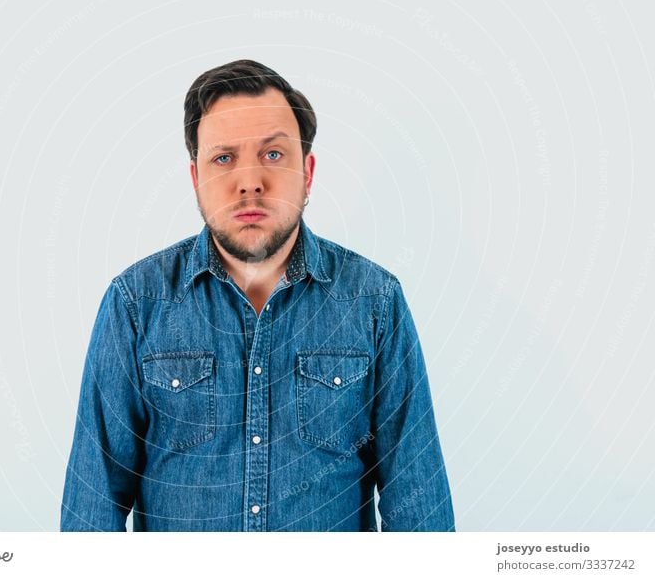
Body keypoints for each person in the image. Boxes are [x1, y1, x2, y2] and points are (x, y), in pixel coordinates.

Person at [60, 59, 455, 532]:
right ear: (196, 179)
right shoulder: (135, 303)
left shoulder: (374, 301)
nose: (250, 181)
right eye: (223, 158)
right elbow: (93, 503)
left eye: (272, 155)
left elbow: (418, 502)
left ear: (307, 172)